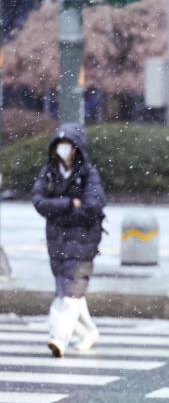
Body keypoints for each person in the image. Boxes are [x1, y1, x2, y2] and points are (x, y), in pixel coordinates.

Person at [32, 123, 106, 358]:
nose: (63, 149)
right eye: (60, 144)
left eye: (68, 145)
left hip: (83, 241)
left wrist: (65, 209)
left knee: (69, 291)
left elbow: (93, 206)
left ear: (77, 148)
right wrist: (68, 204)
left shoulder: (88, 173)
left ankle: (58, 337)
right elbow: (39, 201)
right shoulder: (50, 171)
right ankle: (89, 332)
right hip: (57, 240)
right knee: (68, 288)